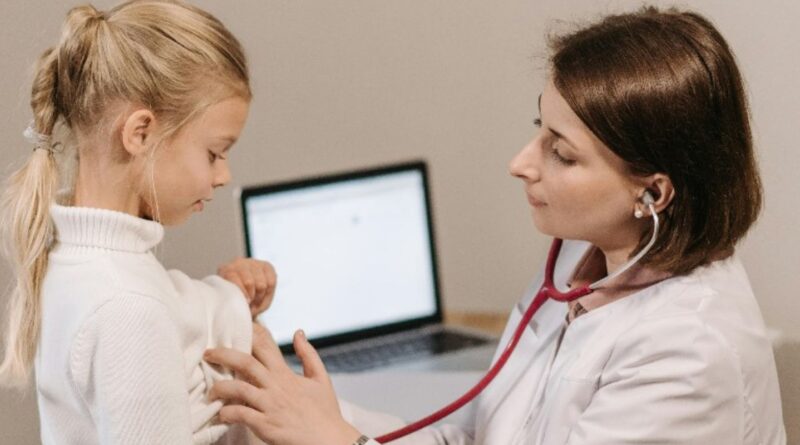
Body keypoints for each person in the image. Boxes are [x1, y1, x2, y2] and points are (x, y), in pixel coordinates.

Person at [203, 6, 787, 445]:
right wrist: (316, 413)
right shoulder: (578, 263)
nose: (521, 163)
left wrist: (336, 441)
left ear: (652, 193)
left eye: (562, 153)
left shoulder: (689, 353)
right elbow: (477, 437)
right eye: (539, 129)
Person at [0, 1, 277, 444]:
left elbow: (171, 310)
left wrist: (232, 299)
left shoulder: (77, 263)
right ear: (140, 133)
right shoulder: (128, 308)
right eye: (215, 153)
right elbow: (140, 315)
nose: (224, 175)